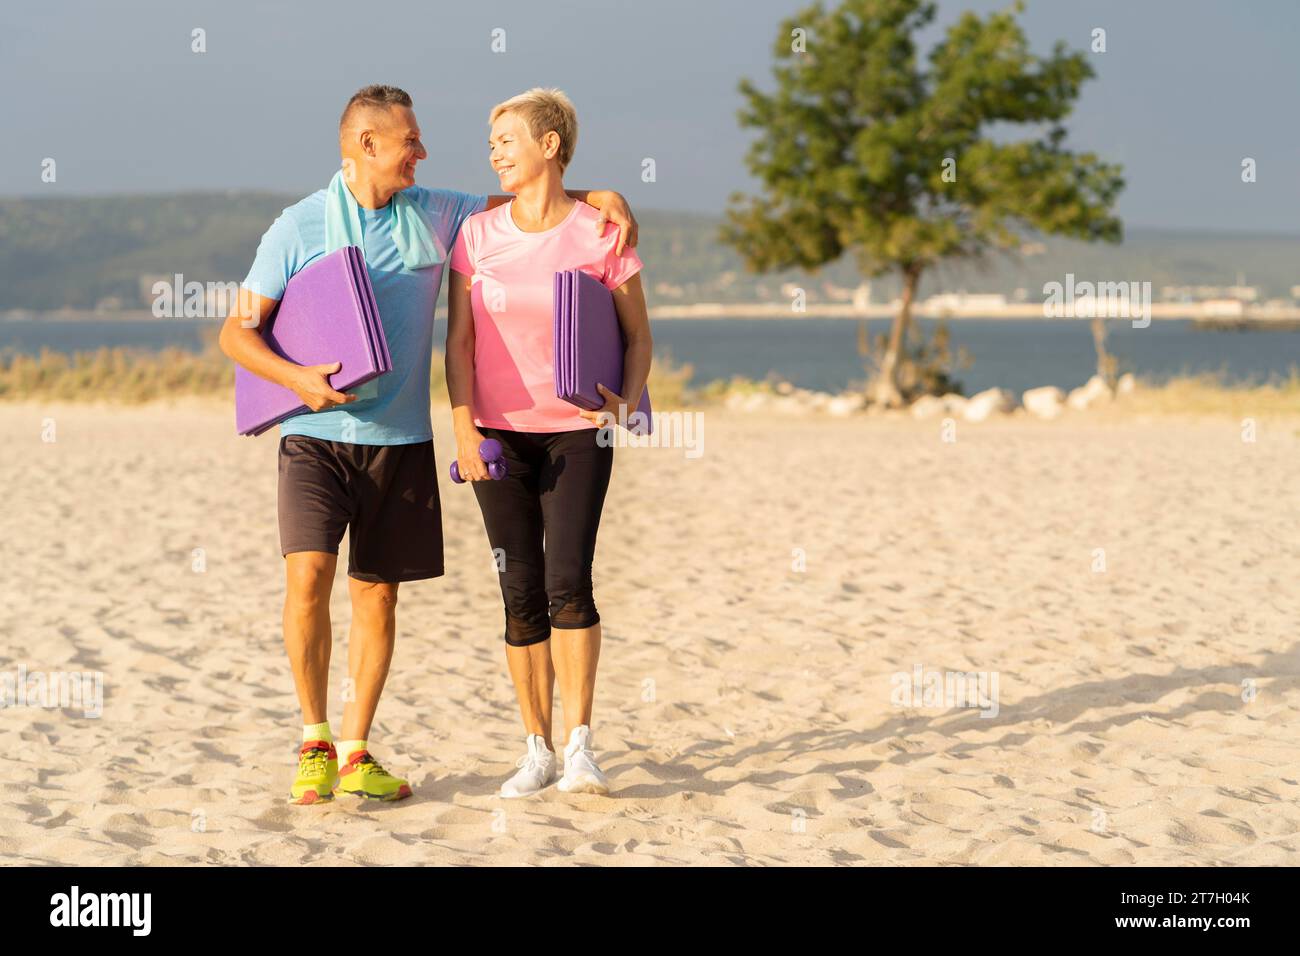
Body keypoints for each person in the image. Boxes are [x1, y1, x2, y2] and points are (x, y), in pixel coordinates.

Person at [218, 84, 637, 805]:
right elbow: (236, 332)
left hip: (403, 440)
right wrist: (296, 380)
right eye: (410, 141)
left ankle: (355, 751)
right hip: (315, 437)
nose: (423, 151)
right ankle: (313, 737)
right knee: (308, 577)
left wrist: (605, 191)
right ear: (367, 145)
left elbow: (530, 195)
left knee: (377, 595)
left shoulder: (438, 213)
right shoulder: (299, 225)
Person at [446, 88, 652, 797]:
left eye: (507, 138)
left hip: (576, 433)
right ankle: (534, 749)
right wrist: (463, 427)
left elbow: (638, 334)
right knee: (519, 591)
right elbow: (459, 341)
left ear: (550, 145)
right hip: (498, 438)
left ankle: (580, 746)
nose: (495, 151)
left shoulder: (601, 231)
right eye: (491, 140)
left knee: (569, 581)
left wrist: (626, 400)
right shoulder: (476, 234)